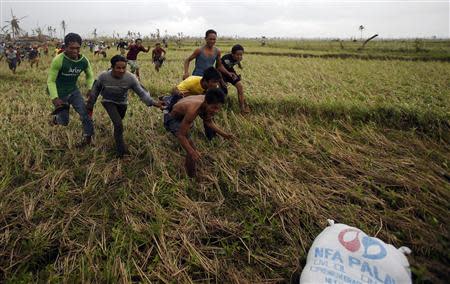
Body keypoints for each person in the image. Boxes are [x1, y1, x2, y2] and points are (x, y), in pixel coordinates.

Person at [86, 55, 164, 158]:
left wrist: (154, 103)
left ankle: (116, 135)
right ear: (112, 67)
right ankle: (121, 152)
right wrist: (90, 104)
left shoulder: (130, 78)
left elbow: (141, 92)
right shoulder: (103, 77)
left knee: (118, 123)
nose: (121, 70)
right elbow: (95, 90)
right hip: (108, 101)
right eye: (118, 68)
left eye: (124, 68)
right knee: (118, 124)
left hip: (122, 103)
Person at [163, 88, 233, 178]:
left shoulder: (207, 100)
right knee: (190, 146)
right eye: (214, 108)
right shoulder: (193, 110)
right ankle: (191, 176)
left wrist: (225, 135)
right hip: (172, 119)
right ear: (206, 103)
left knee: (189, 144)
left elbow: (208, 122)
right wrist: (192, 152)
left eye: (218, 108)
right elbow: (181, 135)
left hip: (183, 115)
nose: (216, 111)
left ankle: (191, 172)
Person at [47, 32, 95, 146]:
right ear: (65, 47)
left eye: (77, 48)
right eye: (71, 48)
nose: (75, 51)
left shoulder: (83, 61)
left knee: (86, 114)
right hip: (59, 92)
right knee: (64, 122)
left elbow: (90, 75)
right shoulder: (58, 60)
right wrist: (55, 97)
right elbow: (51, 81)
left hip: (73, 90)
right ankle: (56, 119)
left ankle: (88, 139)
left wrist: (90, 88)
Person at [218, 44, 250, 114]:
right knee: (223, 91)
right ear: (232, 54)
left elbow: (238, 61)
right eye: (237, 55)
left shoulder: (239, 58)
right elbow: (218, 68)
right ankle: (218, 108)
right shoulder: (226, 59)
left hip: (230, 72)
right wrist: (222, 80)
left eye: (241, 55)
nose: (239, 57)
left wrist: (240, 66)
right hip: (221, 74)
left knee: (240, 87)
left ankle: (242, 108)